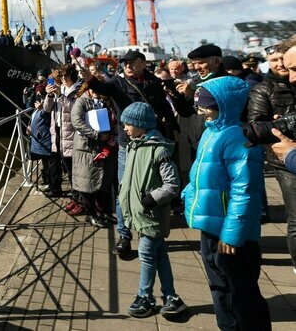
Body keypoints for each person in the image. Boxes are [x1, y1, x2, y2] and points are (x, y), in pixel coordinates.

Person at [182, 77, 271, 331]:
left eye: (206, 106)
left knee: (242, 295)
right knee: (220, 288)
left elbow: (245, 192)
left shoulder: (237, 137)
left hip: (231, 233)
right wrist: (189, 194)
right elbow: (203, 175)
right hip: (212, 226)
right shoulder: (212, 131)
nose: (200, 111)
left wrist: (232, 234)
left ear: (224, 105)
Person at [81, 50, 177, 258]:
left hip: (152, 143)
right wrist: (90, 81)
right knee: (124, 189)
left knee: (152, 187)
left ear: (143, 63)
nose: (128, 66)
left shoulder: (153, 82)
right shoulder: (118, 82)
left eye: (132, 62)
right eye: (125, 63)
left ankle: (149, 231)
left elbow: (163, 108)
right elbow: (103, 87)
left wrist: (173, 128)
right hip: (128, 145)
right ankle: (124, 236)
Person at [118, 102, 186, 319]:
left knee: (147, 254)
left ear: (142, 126)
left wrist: (150, 200)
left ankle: (145, 297)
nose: (125, 128)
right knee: (160, 255)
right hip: (141, 213)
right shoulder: (134, 145)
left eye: (128, 124)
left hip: (151, 214)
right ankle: (171, 297)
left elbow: (172, 184)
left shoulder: (159, 150)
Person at [247, 39, 296, 274]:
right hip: (283, 161)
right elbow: (257, 126)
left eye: (281, 59)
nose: (280, 64)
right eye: (273, 60)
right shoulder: (263, 89)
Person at [70, 80, 118, 228]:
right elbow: (76, 121)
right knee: (87, 183)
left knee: (103, 181)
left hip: (106, 146)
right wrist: (96, 135)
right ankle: (91, 215)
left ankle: (102, 212)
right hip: (87, 148)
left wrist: (112, 133)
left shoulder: (106, 100)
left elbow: (115, 118)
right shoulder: (82, 101)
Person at [43, 64, 83, 213]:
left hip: (72, 133)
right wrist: (50, 95)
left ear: (72, 76)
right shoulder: (63, 89)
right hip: (59, 132)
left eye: (66, 76)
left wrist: (60, 95)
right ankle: (75, 198)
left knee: (75, 169)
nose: (63, 79)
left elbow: (74, 110)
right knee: (68, 167)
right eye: (61, 77)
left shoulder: (78, 90)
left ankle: (80, 201)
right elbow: (47, 109)